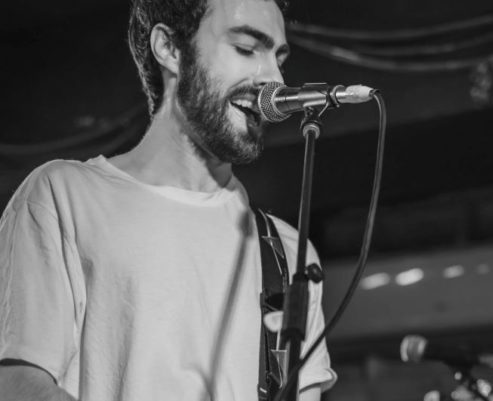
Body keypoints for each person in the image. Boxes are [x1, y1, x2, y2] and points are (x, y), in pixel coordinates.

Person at [0, 0, 337, 400]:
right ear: (170, 48)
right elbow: (16, 384)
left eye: (279, 59)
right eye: (246, 49)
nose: (274, 79)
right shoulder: (64, 197)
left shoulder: (289, 254)